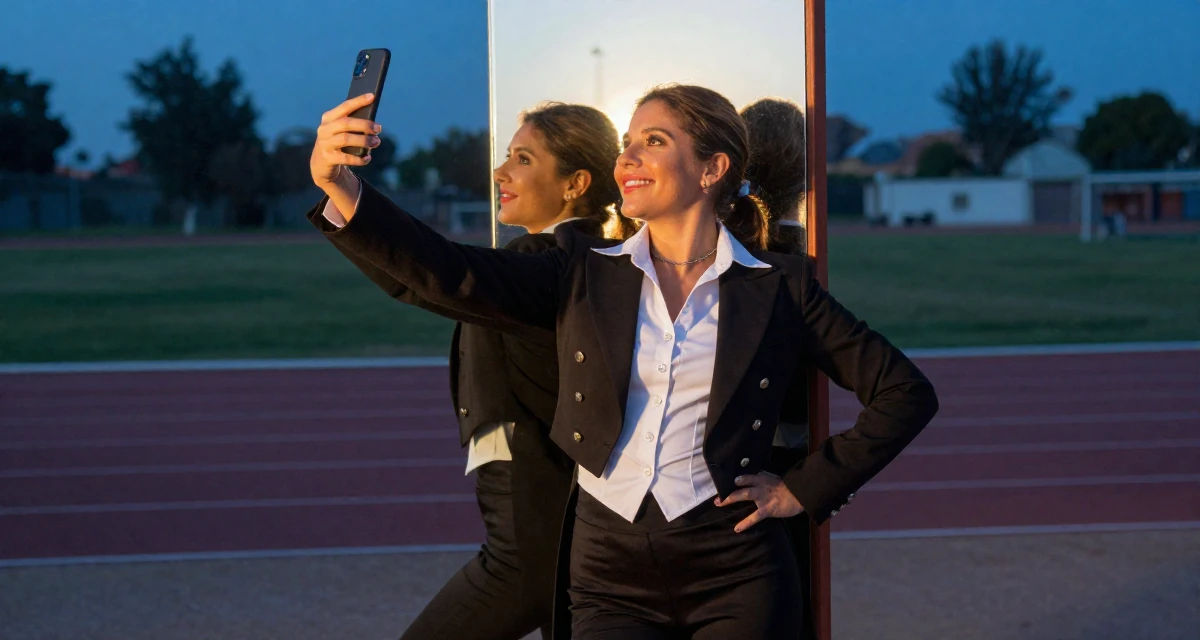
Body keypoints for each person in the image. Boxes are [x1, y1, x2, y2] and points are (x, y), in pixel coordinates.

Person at [308, 84, 939, 639]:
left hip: (737, 568)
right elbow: (451, 272)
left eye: (653, 142)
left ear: (713, 167)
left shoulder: (778, 286)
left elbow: (904, 393)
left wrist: (803, 489)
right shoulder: (581, 271)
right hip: (607, 571)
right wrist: (343, 187)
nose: (627, 159)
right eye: (627, 143)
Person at [319, 102, 632, 640]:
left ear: (575, 183)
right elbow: (420, 284)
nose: (499, 172)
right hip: (546, 509)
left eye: (523, 159)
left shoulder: (555, 262)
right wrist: (339, 201)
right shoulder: (571, 258)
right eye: (508, 155)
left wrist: (342, 186)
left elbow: (447, 274)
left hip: (533, 515)